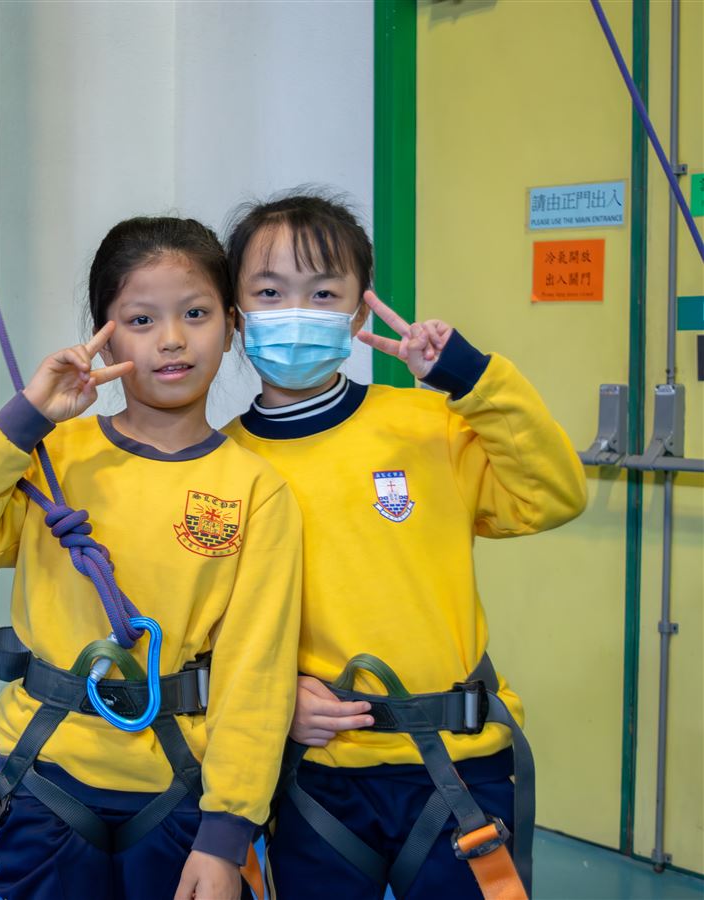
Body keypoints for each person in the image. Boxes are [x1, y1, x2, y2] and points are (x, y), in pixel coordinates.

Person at [0, 216, 303, 900]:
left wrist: (226, 833)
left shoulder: (254, 489)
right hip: (47, 779)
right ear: (105, 336)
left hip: (183, 793)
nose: (172, 339)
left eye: (196, 313)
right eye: (142, 320)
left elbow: (257, 674)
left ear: (231, 327)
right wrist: (25, 418)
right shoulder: (52, 456)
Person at [221, 193, 587, 899]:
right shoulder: (220, 465)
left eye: (322, 293)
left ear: (358, 314)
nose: (296, 311)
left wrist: (473, 380)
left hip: (458, 766)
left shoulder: (427, 426)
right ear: (237, 316)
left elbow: (553, 495)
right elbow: (203, 623)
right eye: (269, 292)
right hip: (311, 775)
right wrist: (273, 697)